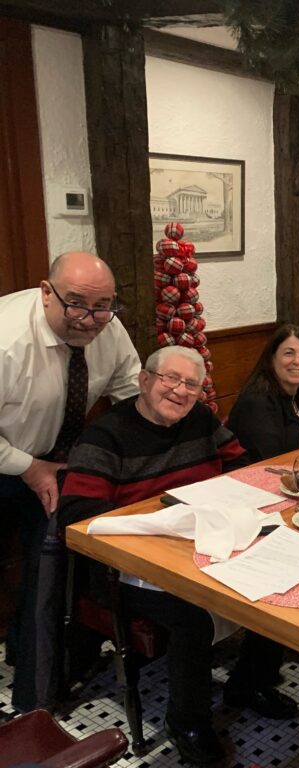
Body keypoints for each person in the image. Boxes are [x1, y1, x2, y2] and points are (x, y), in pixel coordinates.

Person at [56, 346, 298, 765]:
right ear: (145, 380)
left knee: (280, 573)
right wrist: (162, 519)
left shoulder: (201, 420)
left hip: (202, 545)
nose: (180, 391)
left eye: (191, 384)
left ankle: (249, 682)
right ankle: (188, 722)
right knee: (191, 617)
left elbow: (241, 465)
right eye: (170, 379)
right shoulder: (106, 435)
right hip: (128, 568)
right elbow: (76, 517)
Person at [1, 252, 140, 710]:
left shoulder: (107, 326)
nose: (90, 320)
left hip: (57, 467)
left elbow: (133, 391)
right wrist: (27, 465)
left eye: (103, 306)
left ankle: (35, 689)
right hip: (9, 459)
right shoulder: (6, 339)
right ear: (46, 292)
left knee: (49, 569)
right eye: (76, 304)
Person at [226, 324, 299, 460]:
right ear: (271, 359)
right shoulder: (256, 404)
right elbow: (270, 462)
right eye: (289, 353)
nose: (297, 361)